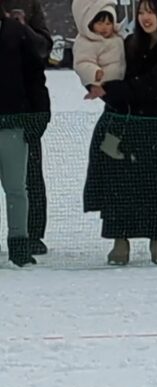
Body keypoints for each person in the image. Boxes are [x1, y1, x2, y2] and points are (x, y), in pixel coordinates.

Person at [83, 0, 157, 265]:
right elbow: (108, 70)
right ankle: (120, 240)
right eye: (141, 12)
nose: (145, 17)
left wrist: (114, 90)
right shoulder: (128, 44)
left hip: (155, 129)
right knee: (118, 183)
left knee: (156, 185)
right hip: (121, 125)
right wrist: (96, 80)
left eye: (151, 12)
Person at [0, 0, 49, 266]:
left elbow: (35, 75)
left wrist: (40, 115)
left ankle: (22, 241)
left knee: (18, 187)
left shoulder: (17, 31)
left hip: (15, 122)